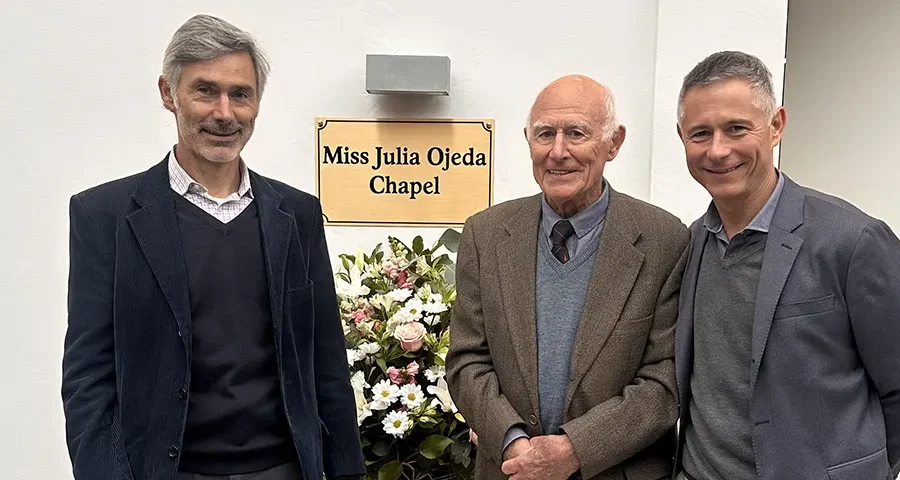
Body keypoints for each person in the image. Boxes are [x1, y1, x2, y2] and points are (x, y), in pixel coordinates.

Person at [61, 14, 364, 480]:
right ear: (169, 94)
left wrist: (345, 470)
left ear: (257, 102)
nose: (225, 113)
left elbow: (325, 359)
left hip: (282, 470)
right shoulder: (105, 216)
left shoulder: (297, 214)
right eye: (206, 90)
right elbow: (88, 377)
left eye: (240, 94)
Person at [446, 74, 689, 480]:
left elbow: (665, 380)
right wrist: (512, 441)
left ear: (614, 142)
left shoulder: (664, 240)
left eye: (577, 133)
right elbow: (467, 359)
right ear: (528, 140)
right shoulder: (485, 234)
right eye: (545, 134)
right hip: (510, 470)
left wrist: (576, 450)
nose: (558, 151)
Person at [673, 50, 900, 480]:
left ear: (776, 125)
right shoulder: (690, 245)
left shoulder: (853, 241)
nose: (718, 151)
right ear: (681, 137)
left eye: (737, 128)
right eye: (700, 133)